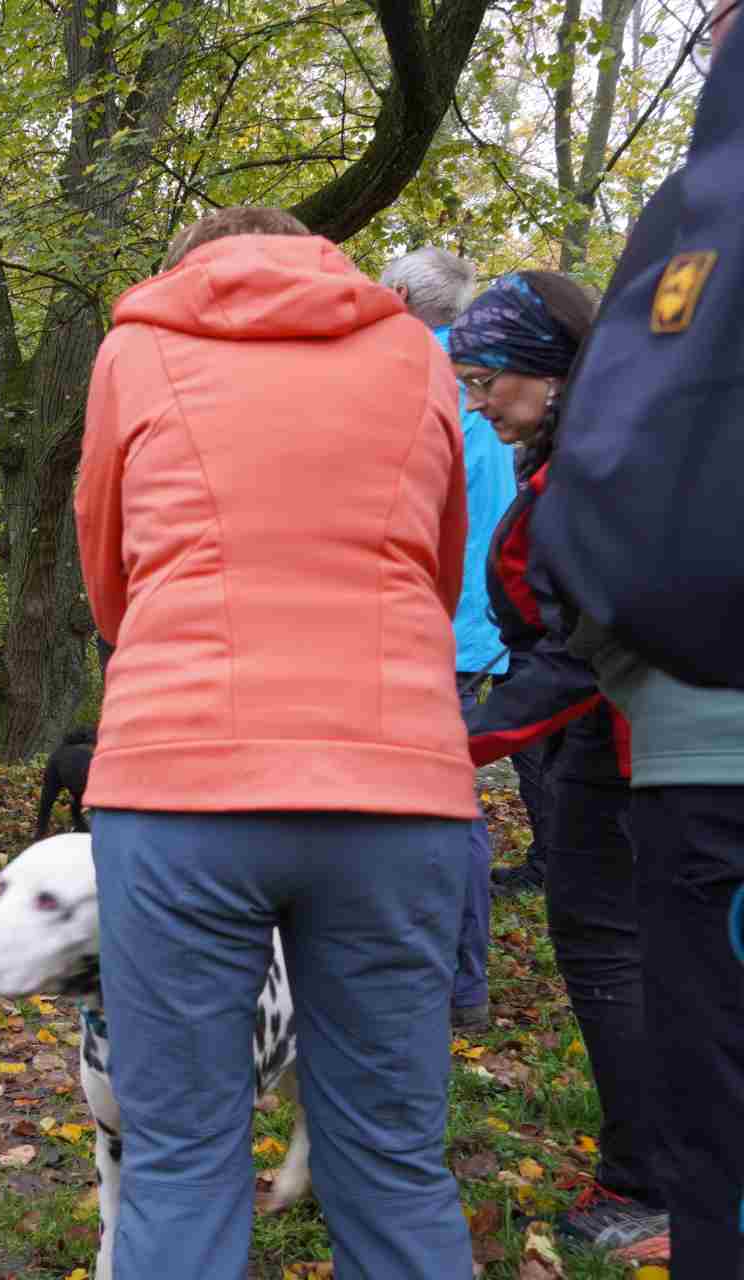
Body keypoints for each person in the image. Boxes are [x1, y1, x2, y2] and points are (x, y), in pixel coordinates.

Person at [75, 206, 475, 1280]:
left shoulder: (134, 350)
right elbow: (438, 572)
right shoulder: (418, 354)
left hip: (180, 777)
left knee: (178, 1159)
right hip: (396, 781)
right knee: (394, 1160)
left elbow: (109, 573)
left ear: (186, 269)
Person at [535, 5, 743, 1268]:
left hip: (712, 750)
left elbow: (622, 481)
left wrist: (605, 639)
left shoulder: (702, 215)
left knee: (722, 1104)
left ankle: (661, 1190)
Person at [451, 272, 668, 1255]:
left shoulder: (594, 473)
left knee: (610, 950)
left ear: (549, 370)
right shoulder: (596, 452)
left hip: (625, 750)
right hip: (622, 743)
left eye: (487, 378)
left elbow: (580, 652)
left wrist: (452, 742)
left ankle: (647, 1186)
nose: (478, 401)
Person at [382, 247, 517, 1032]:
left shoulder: (410, 376)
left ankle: (458, 984)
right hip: (481, 623)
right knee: (447, 798)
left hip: (435, 624)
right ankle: (454, 979)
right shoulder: (482, 383)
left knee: (442, 807)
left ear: (399, 293)